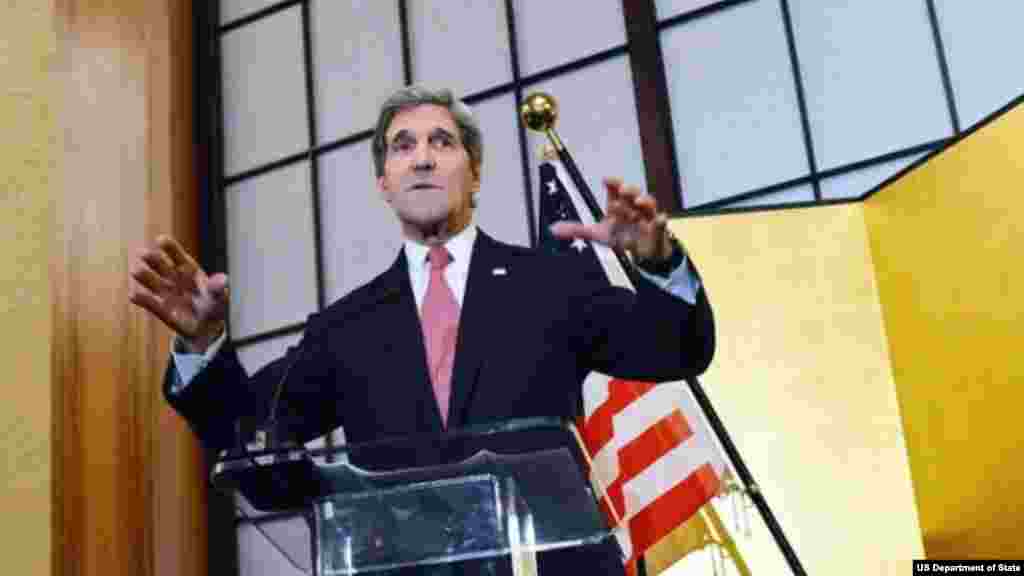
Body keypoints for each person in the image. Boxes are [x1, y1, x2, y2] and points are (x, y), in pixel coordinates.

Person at [130, 85, 715, 575]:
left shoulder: (550, 282)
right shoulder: (346, 326)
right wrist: (204, 345)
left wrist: (659, 263)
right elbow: (255, 448)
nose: (424, 158)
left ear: (475, 172)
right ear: (385, 182)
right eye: (403, 147)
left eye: (443, 142)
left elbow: (677, 348)